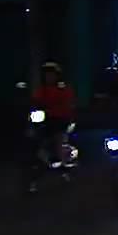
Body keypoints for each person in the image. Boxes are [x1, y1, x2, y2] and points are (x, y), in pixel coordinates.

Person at [30, 62, 77, 190]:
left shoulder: (63, 89)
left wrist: (61, 110)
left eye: (51, 75)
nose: (49, 77)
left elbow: (68, 103)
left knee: (59, 141)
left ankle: (63, 165)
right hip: (45, 120)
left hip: (60, 120)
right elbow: (35, 101)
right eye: (46, 75)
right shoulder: (42, 89)